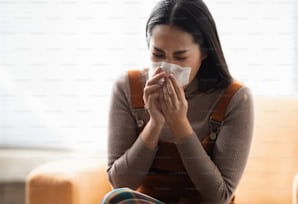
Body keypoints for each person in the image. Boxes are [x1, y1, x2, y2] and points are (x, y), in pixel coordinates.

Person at [102, 0, 254, 203]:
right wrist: (155, 123)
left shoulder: (235, 98)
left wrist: (178, 123)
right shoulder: (128, 88)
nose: (167, 67)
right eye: (158, 54)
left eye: (180, 57)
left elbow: (219, 197)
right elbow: (120, 184)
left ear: (204, 53)